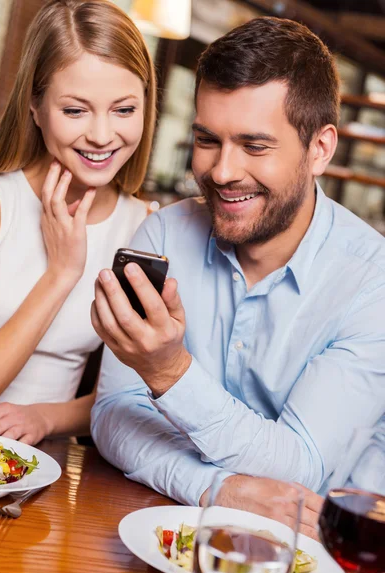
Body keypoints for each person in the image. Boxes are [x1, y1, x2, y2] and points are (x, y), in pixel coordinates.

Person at [90, 17, 385, 537]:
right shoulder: (162, 236)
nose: (222, 171)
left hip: (317, 556)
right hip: (168, 533)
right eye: (208, 139)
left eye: (254, 146)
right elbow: (113, 416)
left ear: (320, 149)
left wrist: (169, 372)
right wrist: (215, 490)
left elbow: (298, 467)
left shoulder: (371, 281)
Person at [0, 0, 156, 445]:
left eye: (123, 110)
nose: (101, 136)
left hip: (47, 478)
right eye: (75, 110)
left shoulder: (145, 227)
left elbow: (128, 396)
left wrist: (46, 418)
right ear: (35, 106)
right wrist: (61, 274)